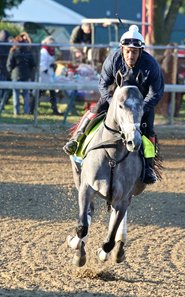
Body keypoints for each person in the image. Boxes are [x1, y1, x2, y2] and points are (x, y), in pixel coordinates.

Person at [63, 25, 165, 184]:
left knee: (149, 129)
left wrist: (140, 108)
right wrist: (112, 103)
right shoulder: (113, 59)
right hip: (114, 97)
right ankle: (77, 139)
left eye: (135, 52)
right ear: (122, 49)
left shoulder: (151, 65)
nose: (131, 55)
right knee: (95, 110)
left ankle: (148, 167)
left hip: (140, 102)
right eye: (127, 51)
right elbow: (103, 84)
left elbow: (156, 93)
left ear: (141, 51)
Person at [6, 33, 35, 115]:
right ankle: (26, 112)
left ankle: (16, 112)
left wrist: (11, 72)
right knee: (26, 95)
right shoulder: (28, 52)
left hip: (15, 75)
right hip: (26, 75)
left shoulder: (13, 51)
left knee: (16, 94)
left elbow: (9, 64)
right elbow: (33, 64)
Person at [38, 35, 62, 115]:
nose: (52, 45)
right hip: (44, 74)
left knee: (52, 92)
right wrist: (47, 71)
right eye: (51, 43)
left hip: (49, 74)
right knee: (39, 92)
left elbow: (50, 61)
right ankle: (32, 108)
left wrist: (52, 66)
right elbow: (42, 64)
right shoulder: (44, 51)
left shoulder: (51, 51)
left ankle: (54, 109)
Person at [0, 30, 11, 112]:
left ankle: (1, 105)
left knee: (3, 89)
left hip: (4, 70)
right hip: (6, 70)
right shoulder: (9, 45)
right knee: (3, 89)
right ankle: (1, 105)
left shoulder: (7, 45)